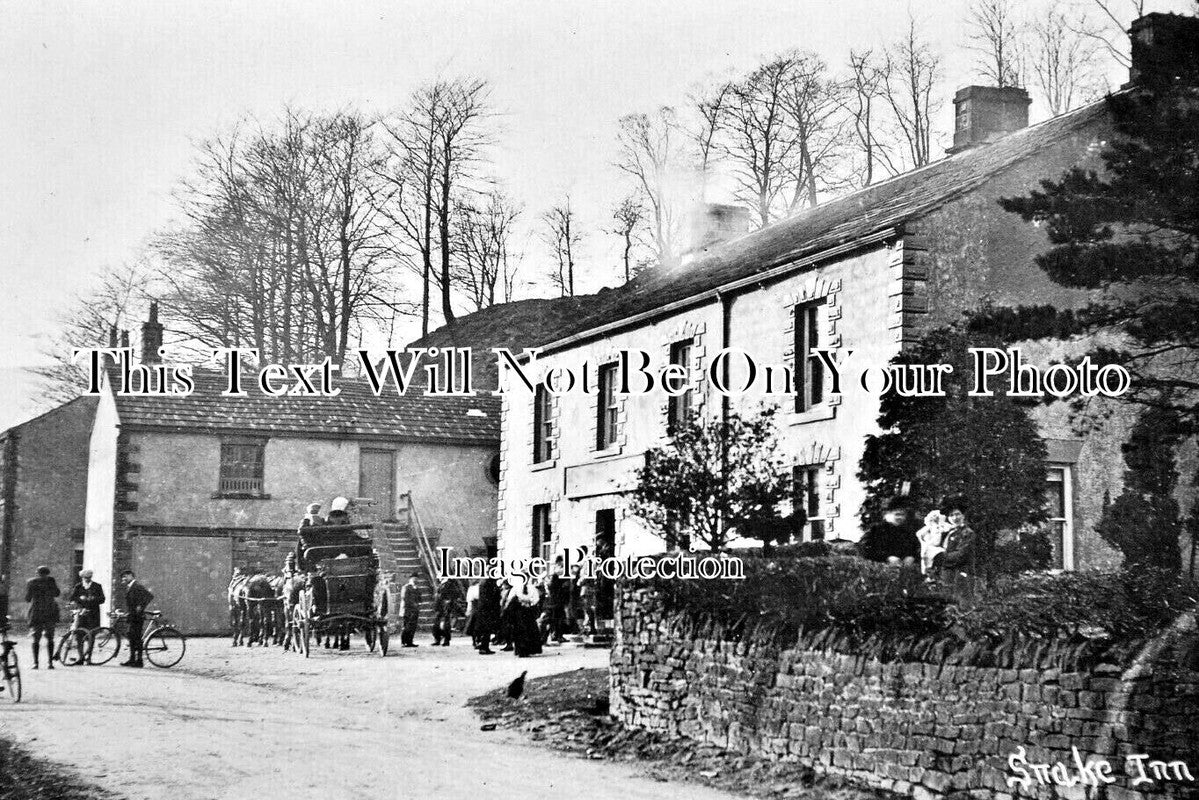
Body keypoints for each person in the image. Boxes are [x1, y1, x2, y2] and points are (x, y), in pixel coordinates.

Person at [859, 497, 921, 567]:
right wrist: (887, 558)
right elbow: (865, 548)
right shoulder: (876, 529)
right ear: (887, 514)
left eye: (902, 515)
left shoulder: (909, 531)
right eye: (897, 514)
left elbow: (916, 549)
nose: (900, 517)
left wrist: (912, 557)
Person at [939, 499, 981, 595]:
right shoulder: (946, 532)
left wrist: (940, 558)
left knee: (960, 604)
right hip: (946, 572)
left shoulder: (967, 533)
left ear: (963, 515)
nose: (955, 518)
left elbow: (961, 554)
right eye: (951, 515)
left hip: (961, 572)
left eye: (957, 514)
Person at [25, 565, 60, 670]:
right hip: (49, 611)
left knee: (36, 638)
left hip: (37, 612)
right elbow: (57, 593)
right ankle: (50, 663)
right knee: (50, 638)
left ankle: (35, 663)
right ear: (47, 573)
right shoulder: (51, 581)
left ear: (37, 573)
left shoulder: (31, 582)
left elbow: (27, 598)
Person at [68, 569, 106, 664]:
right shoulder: (78, 586)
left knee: (91, 635)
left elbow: (102, 599)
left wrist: (94, 598)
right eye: (86, 578)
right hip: (81, 613)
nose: (88, 579)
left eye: (89, 578)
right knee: (79, 635)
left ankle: (89, 657)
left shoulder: (97, 586)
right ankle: (81, 657)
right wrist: (80, 598)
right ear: (82, 578)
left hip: (93, 614)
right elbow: (72, 598)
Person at [120, 570, 154, 668]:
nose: (124, 579)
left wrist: (141, 605)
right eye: (123, 577)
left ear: (131, 576)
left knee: (137, 638)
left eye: (125, 576)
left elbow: (149, 596)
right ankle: (132, 659)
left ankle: (139, 661)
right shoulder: (130, 587)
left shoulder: (137, 586)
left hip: (138, 616)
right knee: (132, 637)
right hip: (132, 615)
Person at [916, 510, 951, 575]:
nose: (935, 518)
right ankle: (929, 572)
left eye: (936, 516)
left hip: (940, 547)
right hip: (929, 547)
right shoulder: (927, 528)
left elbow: (949, 528)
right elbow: (920, 534)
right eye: (933, 516)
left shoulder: (943, 526)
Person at [431, 577, 463, 646]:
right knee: (436, 624)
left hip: (446, 607)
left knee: (446, 624)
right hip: (439, 606)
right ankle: (437, 639)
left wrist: (449, 601)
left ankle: (446, 640)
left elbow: (455, 594)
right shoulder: (440, 584)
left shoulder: (449, 584)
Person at [399, 572, 422, 647]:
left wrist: (419, 603)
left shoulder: (417, 588)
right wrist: (413, 604)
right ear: (410, 579)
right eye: (414, 578)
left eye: (416, 578)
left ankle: (410, 641)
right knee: (406, 626)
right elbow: (405, 598)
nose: (415, 580)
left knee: (413, 626)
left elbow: (419, 598)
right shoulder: (406, 587)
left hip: (415, 610)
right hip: (407, 610)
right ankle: (403, 642)